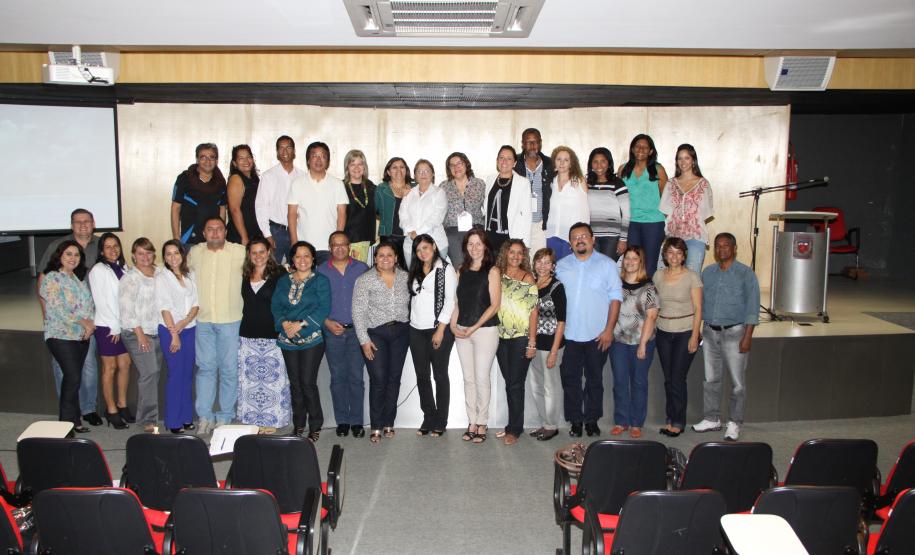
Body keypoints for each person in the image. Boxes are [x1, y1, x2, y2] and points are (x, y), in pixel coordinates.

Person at [556, 222, 623, 438]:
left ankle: (592, 420)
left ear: (593, 239)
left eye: (584, 236)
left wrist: (609, 330)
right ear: (570, 243)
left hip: (598, 335)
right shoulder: (561, 266)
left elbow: (615, 299)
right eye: (575, 238)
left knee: (595, 380)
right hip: (570, 335)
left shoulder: (608, 265)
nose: (580, 240)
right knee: (571, 380)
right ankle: (576, 421)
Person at [692, 233, 759, 442]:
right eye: (718, 246)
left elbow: (752, 307)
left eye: (726, 246)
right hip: (710, 332)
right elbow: (700, 304)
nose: (722, 249)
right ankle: (712, 418)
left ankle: (734, 422)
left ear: (734, 248)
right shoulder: (708, 273)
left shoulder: (746, 274)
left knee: (738, 383)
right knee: (711, 379)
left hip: (735, 333)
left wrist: (747, 336)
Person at [37, 208, 101, 427]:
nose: (72, 258)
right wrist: (83, 321)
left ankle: (77, 418)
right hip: (60, 334)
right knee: (71, 376)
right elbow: (56, 305)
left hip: (82, 335)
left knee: (81, 372)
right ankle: (66, 422)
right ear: (60, 256)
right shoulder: (53, 277)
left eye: (76, 255)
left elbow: (88, 303)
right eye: (68, 255)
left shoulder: (77, 279)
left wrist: (90, 322)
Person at [187, 217, 247, 434]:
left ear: (225, 231)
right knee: (205, 369)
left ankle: (225, 416)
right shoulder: (195, 253)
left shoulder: (239, 252)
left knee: (229, 370)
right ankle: (205, 416)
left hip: (231, 320)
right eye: (210, 229)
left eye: (219, 229)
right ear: (203, 232)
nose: (214, 233)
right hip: (203, 321)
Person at [352, 241, 411, 443]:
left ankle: (388, 423)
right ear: (375, 258)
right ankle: (376, 425)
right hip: (376, 333)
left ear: (396, 258)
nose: (385, 258)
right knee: (378, 380)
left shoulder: (406, 277)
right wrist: (364, 341)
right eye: (381, 255)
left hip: (401, 332)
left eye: (389, 255)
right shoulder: (364, 280)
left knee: (394, 379)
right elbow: (358, 312)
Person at [272, 241, 331, 441]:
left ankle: (315, 424)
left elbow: (323, 308)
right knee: (295, 384)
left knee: (307, 383)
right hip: (287, 338)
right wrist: (285, 324)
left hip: (312, 338)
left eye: (307, 255)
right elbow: (276, 307)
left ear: (313, 258)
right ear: (293, 260)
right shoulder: (283, 281)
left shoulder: (321, 280)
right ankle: (298, 424)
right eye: (298, 256)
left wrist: (301, 325)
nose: (303, 260)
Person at [450, 228, 501, 444]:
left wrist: (474, 327)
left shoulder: (493, 271)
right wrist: (453, 325)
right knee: (468, 379)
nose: (474, 247)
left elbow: (495, 305)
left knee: (481, 378)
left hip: (485, 331)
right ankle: (471, 421)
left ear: (485, 246)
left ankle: (482, 421)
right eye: (470, 244)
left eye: (478, 243)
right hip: (461, 331)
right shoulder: (461, 270)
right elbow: (457, 303)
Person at [317, 231, 369, 438]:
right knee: (337, 378)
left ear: (349, 247)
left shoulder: (361, 268)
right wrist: (326, 322)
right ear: (329, 248)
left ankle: (356, 421)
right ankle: (342, 421)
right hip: (333, 332)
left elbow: (369, 300)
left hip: (357, 331)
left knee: (356, 377)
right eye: (334, 245)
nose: (339, 248)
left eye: (343, 244)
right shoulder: (321, 271)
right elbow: (315, 303)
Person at [237, 238, 291, 432]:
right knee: (251, 381)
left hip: (272, 336)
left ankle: (272, 420)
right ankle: (253, 420)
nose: (258, 256)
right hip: (248, 336)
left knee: (273, 381)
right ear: (249, 255)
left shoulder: (280, 274)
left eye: (262, 251)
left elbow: (286, 303)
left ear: (269, 252)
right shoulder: (245, 274)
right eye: (254, 252)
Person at [653, 237, 703, 438]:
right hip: (663, 331)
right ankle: (670, 417)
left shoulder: (692, 277)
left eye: (678, 253)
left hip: (685, 331)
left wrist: (694, 336)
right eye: (670, 252)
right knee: (668, 379)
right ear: (665, 255)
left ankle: (678, 421)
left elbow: (699, 308)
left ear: (684, 256)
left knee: (677, 379)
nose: (674, 256)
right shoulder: (658, 275)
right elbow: (655, 304)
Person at [407, 234, 456, 437]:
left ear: (434, 246)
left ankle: (441, 421)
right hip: (415, 329)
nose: (423, 253)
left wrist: (440, 330)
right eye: (419, 250)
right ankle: (428, 417)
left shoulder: (446, 269)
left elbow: (450, 301)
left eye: (426, 248)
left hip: (438, 329)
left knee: (440, 375)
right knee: (422, 376)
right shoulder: (415, 270)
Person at [608, 246, 659, 439]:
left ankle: (637, 423)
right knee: (620, 382)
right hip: (619, 341)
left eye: (634, 259)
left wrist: (643, 344)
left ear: (641, 262)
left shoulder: (649, 287)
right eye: (626, 258)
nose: (630, 262)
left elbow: (651, 317)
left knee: (639, 383)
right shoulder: (615, 285)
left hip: (641, 342)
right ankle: (621, 421)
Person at [494, 240, 538, 446]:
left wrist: (532, 342)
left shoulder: (527, 277)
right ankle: (511, 425)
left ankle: (515, 429)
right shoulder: (497, 275)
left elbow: (533, 311)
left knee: (515, 383)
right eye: (512, 252)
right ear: (505, 253)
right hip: (500, 336)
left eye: (520, 253)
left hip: (521, 338)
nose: (515, 256)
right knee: (510, 382)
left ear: (524, 256)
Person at [118, 238, 164, 433]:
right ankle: (147, 419)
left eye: (148, 253)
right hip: (137, 333)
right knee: (149, 373)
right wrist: (140, 335)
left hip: (158, 331)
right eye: (140, 253)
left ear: (154, 253)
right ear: (133, 256)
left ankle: (149, 414)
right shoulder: (130, 278)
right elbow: (126, 310)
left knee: (154, 374)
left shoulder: (161, 273)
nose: (145, 257)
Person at [88, 232, 133, 429]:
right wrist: (115, 327)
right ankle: (111, 409)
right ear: (101, 250)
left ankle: (122, 404)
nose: (113, 250)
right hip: (107, 325)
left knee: (125, 364)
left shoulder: (124, 267)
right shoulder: (98, 270)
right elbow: (102, 301)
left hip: (123, 324)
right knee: (110, 368)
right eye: (108, 246)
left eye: (116, 246)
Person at [155, 240, 199, 434]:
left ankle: (186, 417)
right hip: (169, 330)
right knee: (175, 375)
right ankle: (173, 421)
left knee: (187, 375)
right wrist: (174, 334)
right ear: (164, 258)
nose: (173, 257)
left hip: (189, 329)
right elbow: (164, 308)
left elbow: (196, 304)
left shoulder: (190, 275)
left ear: (182, 254)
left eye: (176, 253)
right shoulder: (162, 278)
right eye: (168, 254)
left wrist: (185, 322)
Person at [288, 141, 348, 266]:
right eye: (314, 156)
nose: (319, 160)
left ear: (328, 161)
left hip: (329, 248)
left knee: (327, 283)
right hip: (304, 247)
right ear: (308, 160)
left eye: (323, 156)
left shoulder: (337, 184)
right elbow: (292, 214)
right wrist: (295, 242)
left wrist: (337, 243)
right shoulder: (297, 183)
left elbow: (342, 213)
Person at [528, 247, 566, 441]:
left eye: (547, 262)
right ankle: (543, 423)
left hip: (551, 345)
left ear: (553, 266)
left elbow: (561, 321)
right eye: (539, 261)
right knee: (536, 386)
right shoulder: (530, 284)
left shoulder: (556, 286)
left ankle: (552, 425)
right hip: (533, 345)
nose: (542, 266)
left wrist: (553, 352)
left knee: (551, 386)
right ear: (534, 264)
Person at [659, 144, 714, 274]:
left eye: (687, 158)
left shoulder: (703, 184)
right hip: (674, 237)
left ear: (693, 160)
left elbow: (706, 212)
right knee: (672, 276)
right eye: (680, 158)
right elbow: (665, 211)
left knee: (693, 276)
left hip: (695, 236)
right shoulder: (671, 184)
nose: (683, 162)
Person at [619, 134, 668, 277]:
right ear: (632, 149)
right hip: (630, 222)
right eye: (637, 146)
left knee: (650, 264)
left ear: (651, 151)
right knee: (632, 263)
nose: (641, 149)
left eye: (645, 147)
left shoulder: (658, 170)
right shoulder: (623, 169)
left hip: (653, 223)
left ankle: (649, 298)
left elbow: (666, 197)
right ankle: (632, 297)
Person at [255, 135, 304, 264]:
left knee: (297, 269)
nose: (285, 151)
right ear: (277, 152)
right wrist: (267, 235)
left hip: (297, 230)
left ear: (294, 151)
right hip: (276, 231)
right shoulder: (268, 176)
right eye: (281, 148)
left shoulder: (303, 177)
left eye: (288, 148)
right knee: (271, 270)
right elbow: (261, 206)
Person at [171, 143, 227, 245]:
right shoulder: (184, 178)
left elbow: (222, 209)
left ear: (217, 161)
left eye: (211, 157)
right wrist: (176, 237)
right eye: (203, 157)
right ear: (197, 160)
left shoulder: (221, 182)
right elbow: (175, 208)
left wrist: (221, 235)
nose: (208, 161)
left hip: (213, 240)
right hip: (189, 240)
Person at [441, 152, 486, 267]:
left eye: (459, 163)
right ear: (449, 169)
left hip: (476, 229)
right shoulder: (444, 187)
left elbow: (487, 209)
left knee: (477, 266)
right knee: (460, 267)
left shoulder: (480, 184)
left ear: (466, 164)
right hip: (453, 232)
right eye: (452, 165)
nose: (456, 167)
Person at [400, 159, 448, 267]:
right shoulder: (409, 193)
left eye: (427, 171)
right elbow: (403, 214)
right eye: (419, 171)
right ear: (415, 176)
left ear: (433, 174)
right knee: (415, 280)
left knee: (435, 279)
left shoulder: (439, 193)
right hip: (411, 243)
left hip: (435, 242)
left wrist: (417, 233)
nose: (423, 174)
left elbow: (436, 218)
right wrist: (410, 231)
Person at [515, 128, 556, 255]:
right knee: (520, 261)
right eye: (528, 142)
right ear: (522, 144)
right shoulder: (515, 163)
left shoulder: (549, 163)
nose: (532, 146)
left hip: (540, 224)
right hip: (520, 223)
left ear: (540, 143)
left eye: (535, 142)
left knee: (539, 261)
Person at [545, 146, 590, 261]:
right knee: (553, 271)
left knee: (568, 272)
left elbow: (585, 210)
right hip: (551, 234)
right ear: (554, 162)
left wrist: (584, 235)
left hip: (571, 237)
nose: (562, 163)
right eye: (559, 159)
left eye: (566, 160)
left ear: (571, 163)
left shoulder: (578, 181)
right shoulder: (551, 182)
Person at [485, 145, 531, 254]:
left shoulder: (523, 183)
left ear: (514, 163)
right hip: (490, 238)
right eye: (501, 157)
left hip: (510, 239)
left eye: (509, 158)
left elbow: (527, 215)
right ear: (497, 161)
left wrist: (526, 244)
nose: (504, 161)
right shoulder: (490, 179)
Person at [587, 147, 630, 261]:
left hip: (612, 237)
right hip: (592, 237)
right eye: (595, 162)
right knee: (594, 270)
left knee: (606, 269)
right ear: (591, 164)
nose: (599, 165)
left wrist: (623, 239)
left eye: (603, 161)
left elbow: (626, 213)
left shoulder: (617, 183)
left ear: (609, 163)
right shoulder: (587, 184)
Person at [375, 157, 414, 269]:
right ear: (388, 171)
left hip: (410, 236)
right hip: (389, 236)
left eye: (402, 167)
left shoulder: (414, 187)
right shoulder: (381, 189)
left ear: (406, 170)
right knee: (389, 269)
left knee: (410, 269)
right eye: (394, 167)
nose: (398, 170)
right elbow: (376, 210)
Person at [341, 149, 377, 264]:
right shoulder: (341, 187)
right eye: (352, 164)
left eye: (360, 164)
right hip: (348, 243)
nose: (357, 168)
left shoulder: (371, 187)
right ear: (347, 167)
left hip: (369, 243)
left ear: (364, 167)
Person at [226, 144, 262, 245]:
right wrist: (244, 237)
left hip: (254, 232)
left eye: (249, 157)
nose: (246, 161)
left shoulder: (254, 179)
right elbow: (235, 209)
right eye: (241, 158)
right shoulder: (236, 179)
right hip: (240, 235)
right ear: (234, 163)